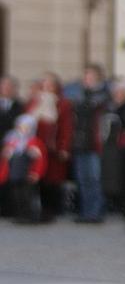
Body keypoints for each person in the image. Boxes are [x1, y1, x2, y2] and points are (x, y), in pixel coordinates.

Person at [26, 72, 73, 221]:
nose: (47, 87)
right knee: (37, 178)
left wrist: (64, 146)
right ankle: (37, 209)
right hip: (37, 147)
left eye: (50, 84)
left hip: (53, 147)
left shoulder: (63, 104)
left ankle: (51, 210)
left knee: (52, 181)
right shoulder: (35, 102)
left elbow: (67, 127)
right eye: (45, 84)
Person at [71, 63, 110, 223]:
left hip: (95, 143)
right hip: (80, 143)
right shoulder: (80, 96)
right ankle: (86, 211)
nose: (86, 79)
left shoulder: (103, 97)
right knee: (82, 180)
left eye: (89, 76)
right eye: (85, 76)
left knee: (95, 179)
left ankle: (96, 212)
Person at [101, 78, 125, 230]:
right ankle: (122, 210)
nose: (118, 95)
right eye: (116, 92)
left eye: (121, 92)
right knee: (112, 185)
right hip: (110, 150)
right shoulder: (109, 107)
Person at [0, 113, 47, 223]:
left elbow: (40, 160)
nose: (22, 129)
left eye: (25, 127)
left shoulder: (34, 142)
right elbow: (6, 157)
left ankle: (31, 215)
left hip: (27, 173)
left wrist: (36, 172)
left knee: (28, 195)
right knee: (17, 195)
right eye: (20, 127)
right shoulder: (13, 141)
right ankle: (20, 214)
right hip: (15, 173)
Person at [0, 75, 24, 216]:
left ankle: (10, 208)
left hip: (12, 146)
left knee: (10, 177)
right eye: (3, 86)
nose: (6, 89)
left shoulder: (20, 106)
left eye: (9, 86)